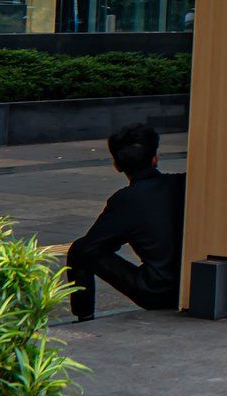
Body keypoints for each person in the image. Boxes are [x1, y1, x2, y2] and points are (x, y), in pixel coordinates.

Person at [66, 123, 187, 321]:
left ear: (117, 166)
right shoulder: (182, 184)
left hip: (158, 292)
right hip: (195, 284)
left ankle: (84, 316)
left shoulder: (125, 200)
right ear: (154, 159)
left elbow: (89, 248)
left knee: (79, 249)